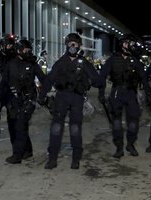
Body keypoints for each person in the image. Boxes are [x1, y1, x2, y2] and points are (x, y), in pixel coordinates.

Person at [38, 33, 103, 169]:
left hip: (77, 98)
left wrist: (92, 82)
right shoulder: (60, 62)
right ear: (66, 45)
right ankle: (52, 159)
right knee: (56, 128)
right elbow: (49, 79)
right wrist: (42, 95)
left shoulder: (84, 62)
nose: (73, 46)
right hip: (61, 97)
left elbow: (97, 80)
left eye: (75, 44)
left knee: (75, 128)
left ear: (79, 46)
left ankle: (76, 159)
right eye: (70, 44)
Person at [98, 33, 149, 158]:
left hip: (131, 93)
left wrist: (149, 93)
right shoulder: (113, 59)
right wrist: (101, 93)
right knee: (116, 122)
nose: (132, 46)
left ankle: (130, 144)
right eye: (130, 43)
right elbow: (102, 76)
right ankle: (119, 147)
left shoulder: (136, 61)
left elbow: (144, 78)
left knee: (133, 121)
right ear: (124, 44)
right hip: (117, 93)